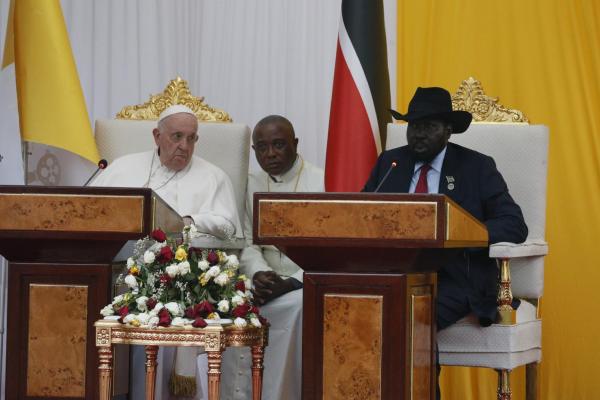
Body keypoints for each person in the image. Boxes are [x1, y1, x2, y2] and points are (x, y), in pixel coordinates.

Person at [362, 87, 528, 398]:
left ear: (448, 131)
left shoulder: (476, 167)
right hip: (396, 276)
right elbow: (362, 215)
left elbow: (514, 225)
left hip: (455, 279)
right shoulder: (390, 164)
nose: (418, 135)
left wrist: (459, 232)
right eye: (413, 126)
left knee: (408, 317)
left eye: (428, 127)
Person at [93, 104, 243, 399]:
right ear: (156, 135)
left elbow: (228, 226)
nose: (184, 146)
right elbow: (95, 209)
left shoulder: (214, 177)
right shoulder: (123, 167)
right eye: (176, 136)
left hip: (186, 281)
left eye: (191, 138)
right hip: (119, 277)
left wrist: (189, 221)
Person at [220, 115, 324, 400]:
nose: (271, 154)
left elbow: (329, 250)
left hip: (304, 282)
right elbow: (248, 243)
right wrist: (259, 275)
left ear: (295, 144)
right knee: (231, 303)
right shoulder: (250, 183)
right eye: (262, 148)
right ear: (253, 151)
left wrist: (290, 282)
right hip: (262, 280)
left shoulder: (321, 181)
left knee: (297, 307)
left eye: (279, 145)